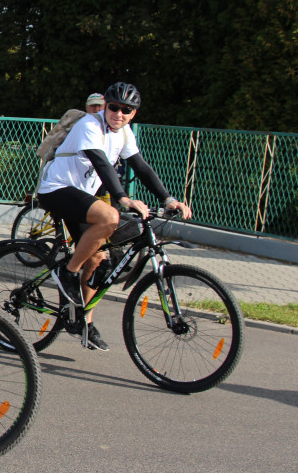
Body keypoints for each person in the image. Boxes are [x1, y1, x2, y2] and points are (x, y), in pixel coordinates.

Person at [36, 82, 192, 350]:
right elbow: (100, 162)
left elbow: (141, 166)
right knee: (109, 217)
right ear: (106, 106)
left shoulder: (124, 133)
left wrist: (168, 199)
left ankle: (84, 322)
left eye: (126, 110)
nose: (118, 113)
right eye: (114, 107)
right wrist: (123, 198)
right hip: (57, 189)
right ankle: (67, 272)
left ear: (133, 114)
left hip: (81, 195)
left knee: (97, 258)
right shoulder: (89, 125)